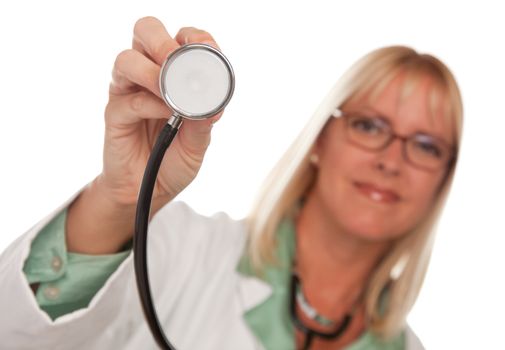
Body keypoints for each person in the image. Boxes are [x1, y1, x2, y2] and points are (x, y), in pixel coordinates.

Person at [0, 16, 462, 350]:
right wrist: (121, 200)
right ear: (321, 140)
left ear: (443, 178)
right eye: (369, 127)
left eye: (426, 146)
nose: (391, 160)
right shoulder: (177, 250)